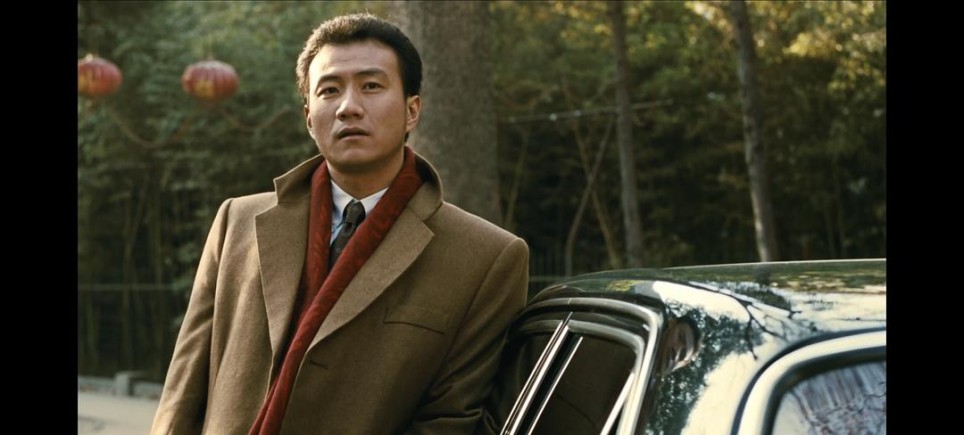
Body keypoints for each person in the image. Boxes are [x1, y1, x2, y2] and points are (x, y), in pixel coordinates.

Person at [151, 12, 529, 435]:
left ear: (412, 111)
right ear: (309, 117)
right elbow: (183, 390)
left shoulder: (485, 258)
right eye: (329, 90)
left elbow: (451, 422)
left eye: (371, 86)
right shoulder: (237, 222)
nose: (349, 107)